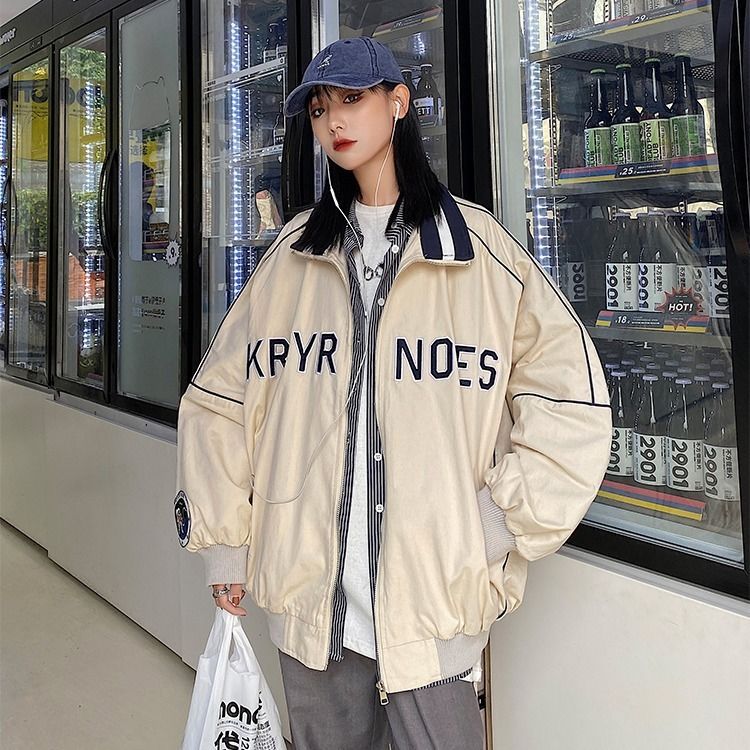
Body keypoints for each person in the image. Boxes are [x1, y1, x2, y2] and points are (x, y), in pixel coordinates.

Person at [175, 37, 612, 750]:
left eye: (352, 99)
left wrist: (494, 522)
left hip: (433, 601)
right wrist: (226, 542)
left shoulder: (479, 252)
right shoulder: (291, 258)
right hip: (312, 605)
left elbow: (574, 403)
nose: (334, 122)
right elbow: (218, 401)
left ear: (399, 103)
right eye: (320, 109)